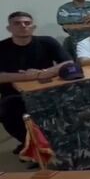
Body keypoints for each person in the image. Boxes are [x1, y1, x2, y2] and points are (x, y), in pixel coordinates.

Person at [0, 12, 72, 152]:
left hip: (47, 89)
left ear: (33, 27)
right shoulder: (1, 48)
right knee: (8, 112)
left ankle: (53, 144)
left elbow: (68, 63)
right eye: (17, 23)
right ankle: (32, 146)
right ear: (9, 28)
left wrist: (41, 73)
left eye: (27, 23)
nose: (23, 26)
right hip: (14, 95)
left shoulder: (47, 42)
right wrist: (29, 76)